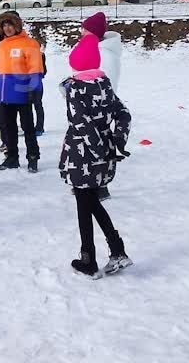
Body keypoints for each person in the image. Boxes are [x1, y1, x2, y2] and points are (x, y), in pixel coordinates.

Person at [59, 33, 133, 278]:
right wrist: (116, 142)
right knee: (89, 203)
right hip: (101, 155)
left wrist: (98, 150)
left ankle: (90, 260)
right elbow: (123, 114)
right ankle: (115, 251)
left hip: (83, 158)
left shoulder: (76, 88)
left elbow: (81, 123)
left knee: (85, 204)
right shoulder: (105, 85)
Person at [0, 11, 44, 173]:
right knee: (9, 128)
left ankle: (33, 157)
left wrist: (33, 90)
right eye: (4, 25)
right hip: (4, 92)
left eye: (10, 24)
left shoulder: (30, 43)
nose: (7, 28)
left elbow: (36, 69)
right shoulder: (1, 45)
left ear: (17, 25)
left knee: (28, 128)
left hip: (23, 92)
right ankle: (12, 157)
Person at [81, 12, 122, 201]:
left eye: (85, 29)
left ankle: (102, 186)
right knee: (86, 145)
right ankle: (89, 182)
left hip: (100, 107)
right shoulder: (91, 49)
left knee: (100, 145)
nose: (81, 32)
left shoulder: (104, 54)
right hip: (86, 105)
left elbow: (106, 83)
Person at [82, 12, 122, 94]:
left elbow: (108, 89)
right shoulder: (89, 50)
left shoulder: (107, 56)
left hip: (98, 104)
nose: (82, 33)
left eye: (85, 30)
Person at [33, 47, 47, 136]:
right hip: (38, 84)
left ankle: (38, 128)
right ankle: (39, 127)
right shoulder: (41, 55)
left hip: (32, 84)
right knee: (38, 105)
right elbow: (44, 71)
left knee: (32, 106)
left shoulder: (38, 56)